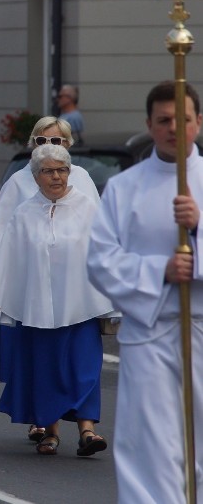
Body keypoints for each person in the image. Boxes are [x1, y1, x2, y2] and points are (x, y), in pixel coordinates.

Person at [88, 80, 203, 502]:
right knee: (149, 443)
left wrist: (198, 230)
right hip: (151, 332)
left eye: (183, 119)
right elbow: (100, 260)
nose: (174, 128)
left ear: (199, 122)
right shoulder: (124, 188)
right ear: (149, 125)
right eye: (164, 120)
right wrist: (161, 271)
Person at [0, 116, 99, 442]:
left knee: (82, 365)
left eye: (57, 143)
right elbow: (3, 235)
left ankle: (87, 430)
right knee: (41, 363)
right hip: (36, 295)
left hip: (77, 296)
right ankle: (46, 425)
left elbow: (102, 245)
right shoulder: (20, 190)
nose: (55, 172)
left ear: (68, 148)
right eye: (43, 142)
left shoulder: (84, 189)